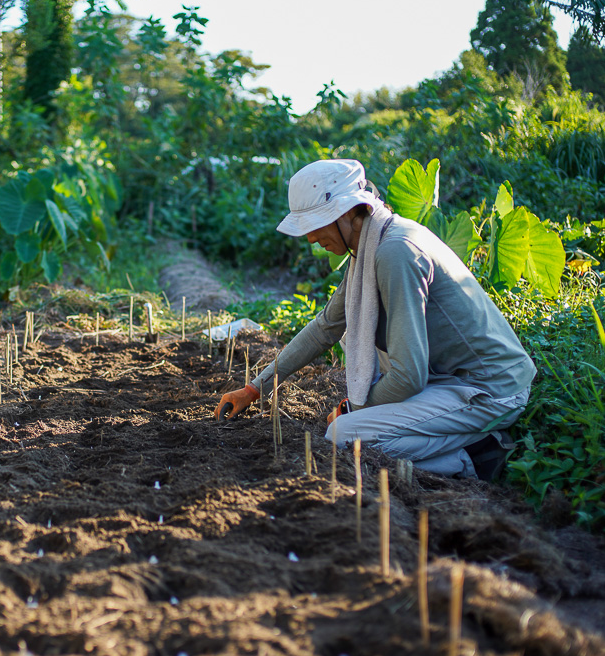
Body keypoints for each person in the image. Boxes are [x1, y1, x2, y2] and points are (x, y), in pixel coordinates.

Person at [214, 159, 536, 480]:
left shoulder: (394, 251)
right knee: (353, 429)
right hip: (451, 379)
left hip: (490, 388)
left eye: (315, 225)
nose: (311, 239)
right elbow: (324, 328)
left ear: (346, 213)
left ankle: (475, 455)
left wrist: (353, 410)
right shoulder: (370, 245)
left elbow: (408, 376)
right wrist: (255, 389)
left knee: (343, 435)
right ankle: (463, 443)